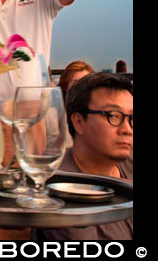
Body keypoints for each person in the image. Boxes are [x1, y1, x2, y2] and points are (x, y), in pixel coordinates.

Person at [35, 72, 133, 240]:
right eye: (113, 116)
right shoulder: (61, 190)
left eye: (131, 118)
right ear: (79, 122)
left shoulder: (127, 162)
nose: (127, 129)